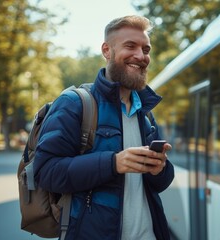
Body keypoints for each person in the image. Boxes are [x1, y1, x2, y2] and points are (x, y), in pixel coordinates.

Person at [33, 15, 174, 240]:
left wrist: (161, 169)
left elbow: (159, 184)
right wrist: (113, 163)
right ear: (107, 51)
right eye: (131, 46)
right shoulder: (74, 103)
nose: (141, 56)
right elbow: (46, 172)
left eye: (146, 49)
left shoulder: (145, 112)